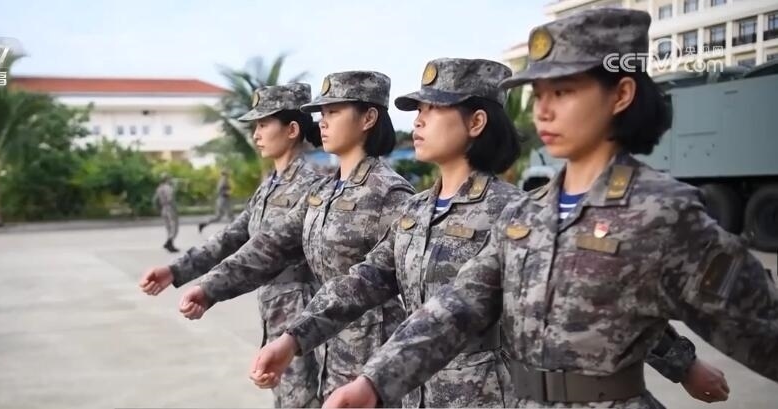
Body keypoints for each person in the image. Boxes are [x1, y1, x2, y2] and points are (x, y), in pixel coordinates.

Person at [322, 8, 778, 408]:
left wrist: (684, 365)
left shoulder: (663, 213)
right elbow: (456, 308)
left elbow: (758, 325)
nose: (543, 110)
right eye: (539, 94)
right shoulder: (528, 217)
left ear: (620, 94)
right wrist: (373, 382)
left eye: (563, 91)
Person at [249, 59, 724, 408]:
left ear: (476, 121)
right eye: (418, 109)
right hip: (416, 392)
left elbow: (595, 301)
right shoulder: (415, 210)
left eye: (433, 109)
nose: (419, 120)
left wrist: (685, 366)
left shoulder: (512, 211)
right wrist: (293, 339)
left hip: (489, 395)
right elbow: (364, 280)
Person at [175, 71, 415, 404]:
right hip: (327, 346)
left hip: (374, 355)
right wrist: (209, 288)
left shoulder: (390, 194)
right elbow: (271, 245)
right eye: (322, 113)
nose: (322, 122)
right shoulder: (324, 191)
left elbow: (412, 288)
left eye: (334, 112)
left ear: (368, 118)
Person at [139, 83, 325, 408]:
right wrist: (175, 270)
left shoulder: (311, 186)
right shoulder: (270, 186)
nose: (256, 134)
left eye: (264, 124)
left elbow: (267, 250)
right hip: (274, 312)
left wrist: (210, 289)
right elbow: (232, 237)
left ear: (292, 129)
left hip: (301, 315)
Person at [152, 173, 179, 253]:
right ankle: (169, 243)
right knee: (174, 227)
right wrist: (174, 208)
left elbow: (155, 200)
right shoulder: (169, 188)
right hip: (170, 208)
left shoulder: (159, 188)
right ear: (167, 179)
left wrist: (158, 208)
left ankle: (170, 243)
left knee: (168, 227)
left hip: (163, 208)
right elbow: (170, 198)